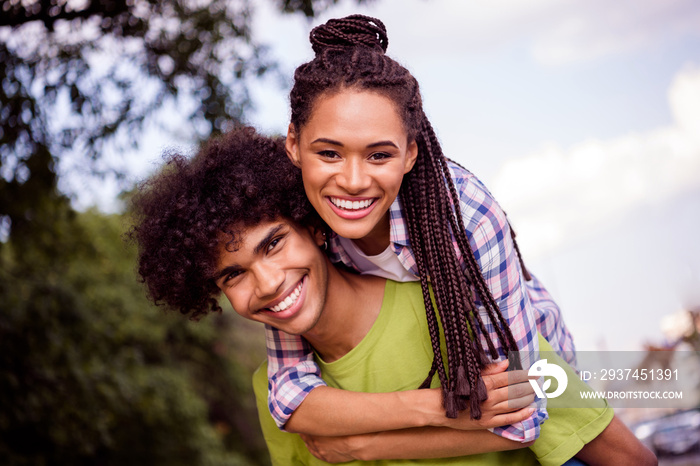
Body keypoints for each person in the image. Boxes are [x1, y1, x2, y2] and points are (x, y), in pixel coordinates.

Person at [129, 127, 656, 465]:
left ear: (313, 227)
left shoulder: (464, 308)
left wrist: (367, 445)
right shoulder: (278, 395)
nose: (266, 283)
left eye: (274, 243)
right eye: (233, 275)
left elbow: (629, 458)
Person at [266, 13, 569, 441]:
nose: (353, 181)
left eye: (379, 156)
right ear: (293, 143)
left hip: (561, 398)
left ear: (410, 154)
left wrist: (365, 449)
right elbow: (288, 391)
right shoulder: (289, 224)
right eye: (330, 153)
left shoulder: (467, 219)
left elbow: (523, 410)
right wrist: (426, 407)